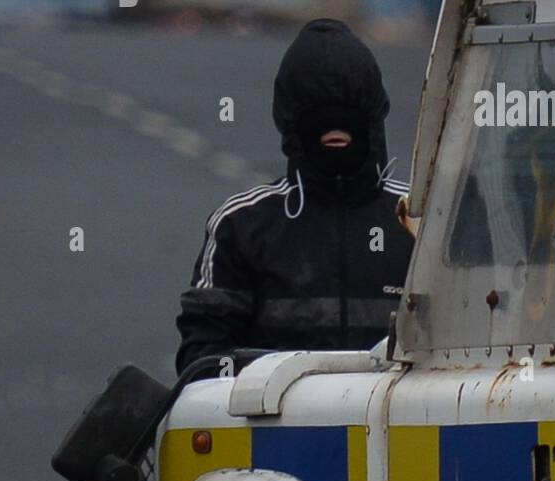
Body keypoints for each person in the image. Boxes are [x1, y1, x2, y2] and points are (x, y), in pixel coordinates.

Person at [175, 19, 414, 375]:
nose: (334, 129)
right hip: (274, 427)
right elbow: (202, 361)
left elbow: (471, 342)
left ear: (373, 120)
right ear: (290, 126)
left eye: (349, 115)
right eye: (316, 117)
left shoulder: (419, 218)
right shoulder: (241, 225)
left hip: (398, 424)